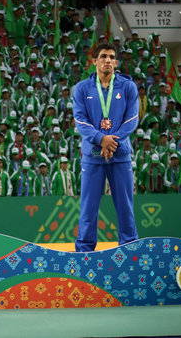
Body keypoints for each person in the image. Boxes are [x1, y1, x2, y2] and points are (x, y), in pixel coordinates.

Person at [72, 42, 139, 252]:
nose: (107, 60)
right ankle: (84, 251)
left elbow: (133, 119)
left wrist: (112, 141)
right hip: (92, 156)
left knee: (125, 207)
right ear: (95, 61)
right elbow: (80, 120)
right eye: (103, 56)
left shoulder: (128, 87)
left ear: (116, 62)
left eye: (111, 57)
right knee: (88, 208)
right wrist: (102, 139)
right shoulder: (82, 88)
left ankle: (129, 250)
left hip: (120, 155)